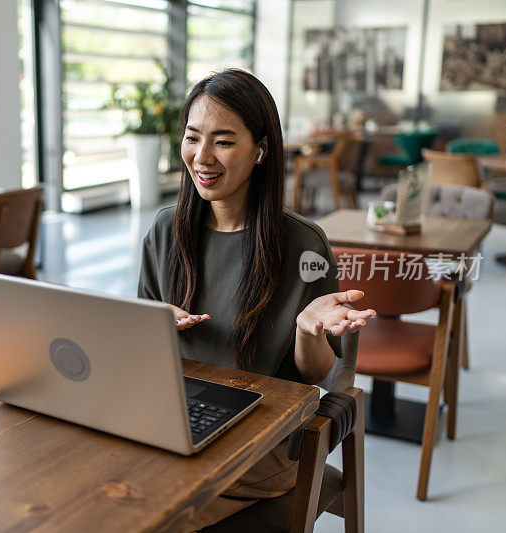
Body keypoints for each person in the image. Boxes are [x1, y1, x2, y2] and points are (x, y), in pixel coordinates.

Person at [137, 69, 375, 531]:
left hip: (264, 445)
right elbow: (140, 349)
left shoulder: (303, 245)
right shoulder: (165, 231)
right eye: (192, 137)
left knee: (137, 515)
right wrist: (152, 324)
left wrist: (309, 330)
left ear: (261, 149)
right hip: (175, 421)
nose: (202, 157)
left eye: (223, 142)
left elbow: (320, 375)